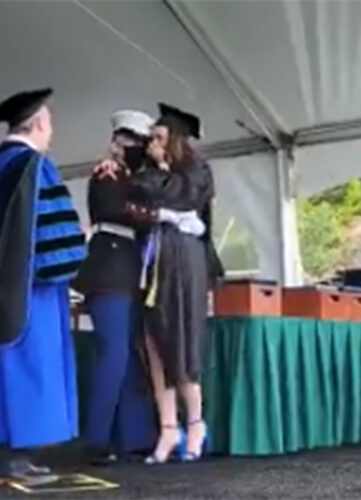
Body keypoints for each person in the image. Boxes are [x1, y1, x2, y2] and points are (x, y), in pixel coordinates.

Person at [0, 88, 86, 485]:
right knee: (28, 370)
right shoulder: (34, 166)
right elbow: (55, 245)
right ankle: (14, 462)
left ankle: (4, 460)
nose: (51, 132)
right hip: (30, 294)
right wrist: (77, 243)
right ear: (39, 125)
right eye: (50, 124)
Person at [126, 103, 223, 464]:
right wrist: (160, 206)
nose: (152, 143)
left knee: (182, 338)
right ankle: (168, 428)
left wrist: (163, 186)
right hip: (153, 262)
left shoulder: (196, 168)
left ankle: (195, 423)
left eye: (160, 137)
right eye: (152, 136)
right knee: (154, 340)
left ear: (176, 140)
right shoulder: (148, 170)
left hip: (184, 262)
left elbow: (182, 196)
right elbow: (136, 198)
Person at [73, 110, 158, 465]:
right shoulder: (107, 172)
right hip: (108, 269)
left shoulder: (135, 176)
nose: (136, 147)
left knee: (127, 353)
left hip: (127, 269)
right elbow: (110, 210)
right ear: (119, 140)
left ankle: (134, 437)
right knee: (114, 354)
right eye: (132, 140)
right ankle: (97, 437)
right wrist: (153, 213)